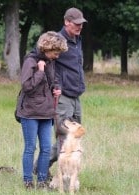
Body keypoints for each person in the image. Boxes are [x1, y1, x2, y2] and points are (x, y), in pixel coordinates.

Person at [15, 31, 68, 190]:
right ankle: (28, 181)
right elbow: (27, 86)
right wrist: (39, 71)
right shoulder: (31, 61)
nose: (57, 56)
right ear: (46, 48)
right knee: (30, 147)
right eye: (55, 52)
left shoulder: (50, 62)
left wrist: (57, 89)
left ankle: (43, 181)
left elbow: (54, 81)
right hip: (30, 113)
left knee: (46, 148)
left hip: (46, 112)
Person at [50, 7, 87, 171]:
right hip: (62, 95)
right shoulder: (57, 40)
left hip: (76, 95)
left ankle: (40, 167)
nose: (80, 27)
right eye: (76, 23)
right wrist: (56, 85)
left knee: (75, 135)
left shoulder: (77, 39)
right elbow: (46, 61)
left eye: (81, 24)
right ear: (67, 22)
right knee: (64, 136)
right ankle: (55, 174)